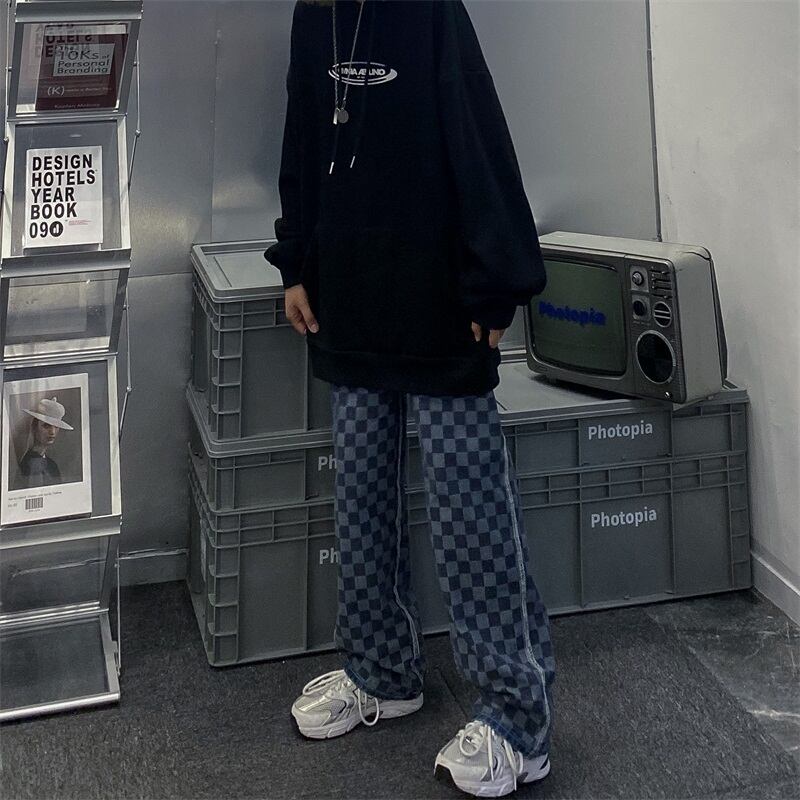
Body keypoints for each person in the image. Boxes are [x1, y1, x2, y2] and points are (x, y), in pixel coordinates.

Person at [264, 1, 555, 795]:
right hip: (349, 300)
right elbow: (301, 140)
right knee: (359, 499)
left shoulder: (431, 13)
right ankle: (382, 672)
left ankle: (517, 722)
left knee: (471, 516)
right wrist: (296, 264)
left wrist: (495, 283)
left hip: (441, 308)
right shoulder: (313, 16)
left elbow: (480, 138)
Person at [14, 396, 72, 490]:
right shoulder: (29, 463)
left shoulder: (52, 464)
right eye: (46, 426)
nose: (52, 432)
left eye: (56, 427)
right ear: (34, 427)